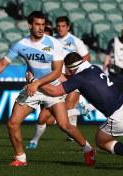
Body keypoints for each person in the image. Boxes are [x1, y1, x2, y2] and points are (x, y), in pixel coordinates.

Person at [0, 11, 95, 167]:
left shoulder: (54, 43)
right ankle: (20, 158)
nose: (41, 28)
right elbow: (2, 64)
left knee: (65, 126)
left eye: (43, 24)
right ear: (30, 25)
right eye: (37, 24)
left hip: (53, 88)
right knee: (13, 123)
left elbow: (57, 71)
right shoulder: (20, 45)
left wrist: (37, 83)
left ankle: (88, 149)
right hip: (33, 88)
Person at [26, 16, 91, 148]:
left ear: (68, 27)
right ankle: (35, 140)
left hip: (71, 80)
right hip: (55, 80)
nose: (60, 29)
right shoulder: (52, 41)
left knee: (67, 108)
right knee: (46, 119)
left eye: (63, 26)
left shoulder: (75, 41)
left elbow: (86, 57)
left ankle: (35, 141)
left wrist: (73, 70)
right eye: (58, 26)